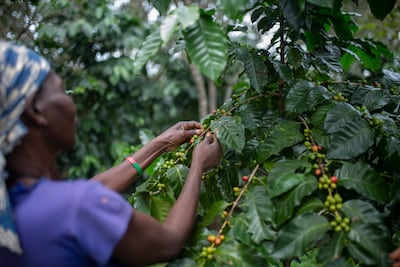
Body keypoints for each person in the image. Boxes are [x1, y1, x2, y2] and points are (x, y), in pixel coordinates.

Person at [0, 41, 222, 267]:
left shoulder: (12, 207)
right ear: (35, 110)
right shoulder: (79, 208)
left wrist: (161, 144)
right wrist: (198, 166)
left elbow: (91, 191)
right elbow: (168, 242)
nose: (72, 102)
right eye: (60, 90)